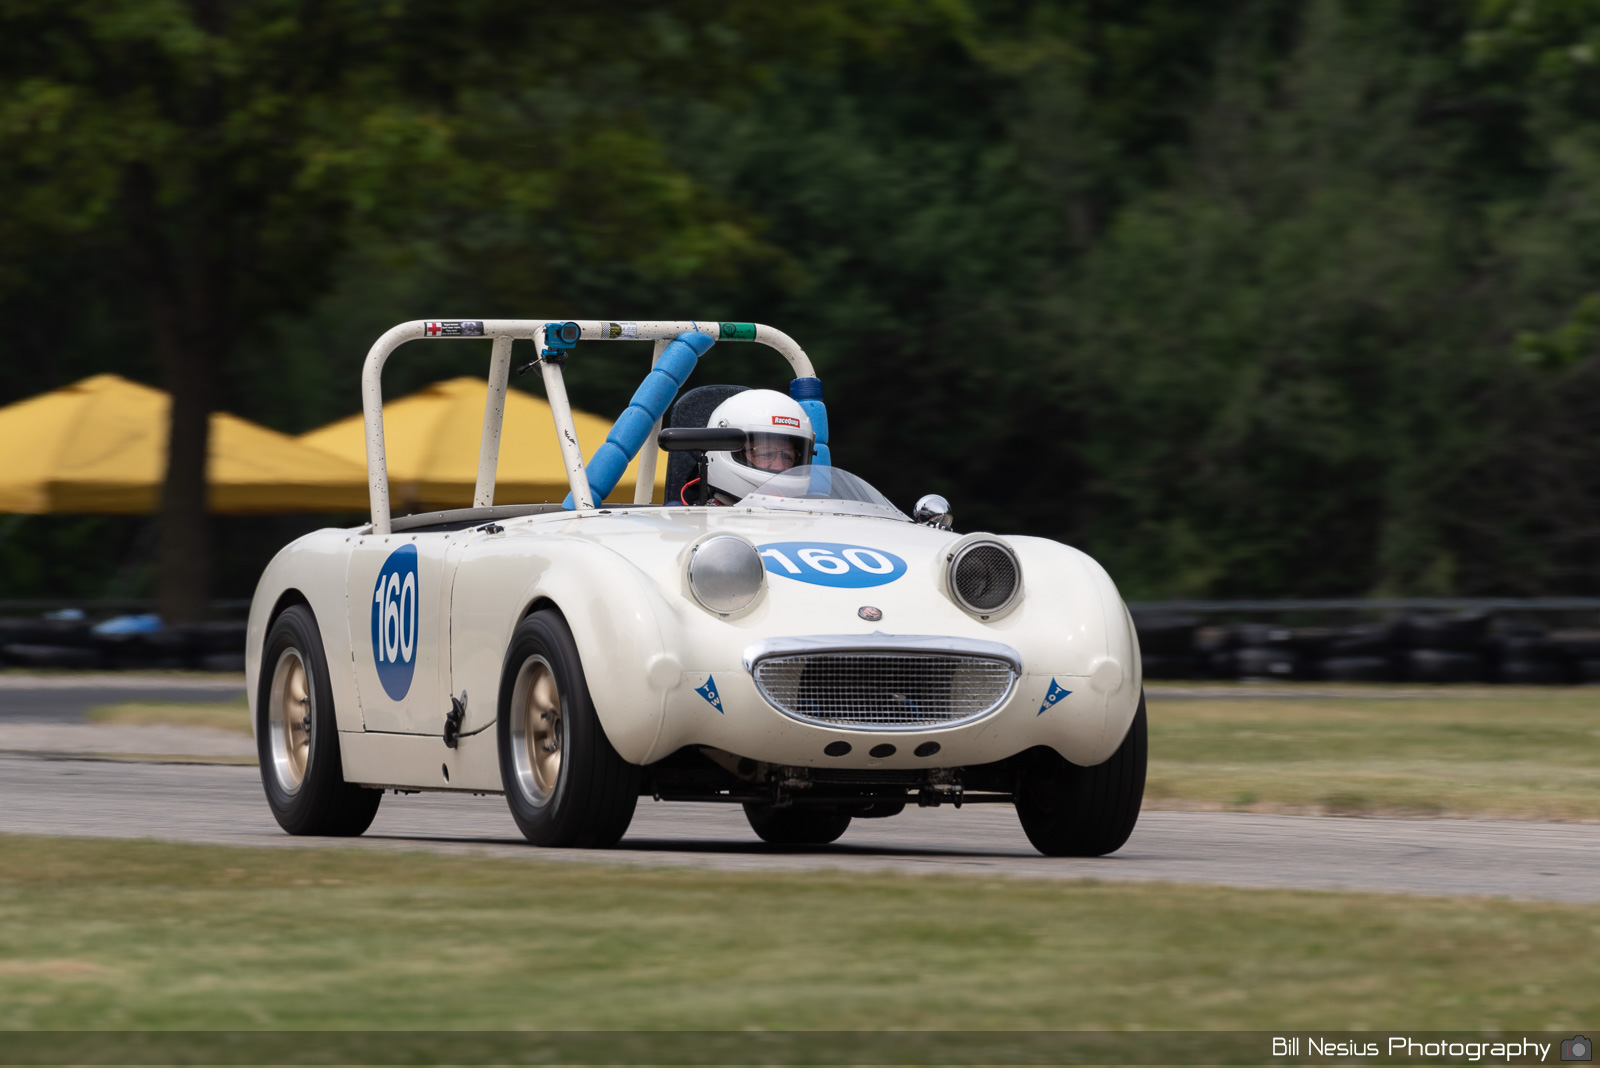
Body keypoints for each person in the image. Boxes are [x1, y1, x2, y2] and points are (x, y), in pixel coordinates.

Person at [688, 389, 815, 505]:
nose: (780, 467)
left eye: (788, 457)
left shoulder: (812, 517)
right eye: (765, 454)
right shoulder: (691, 520)